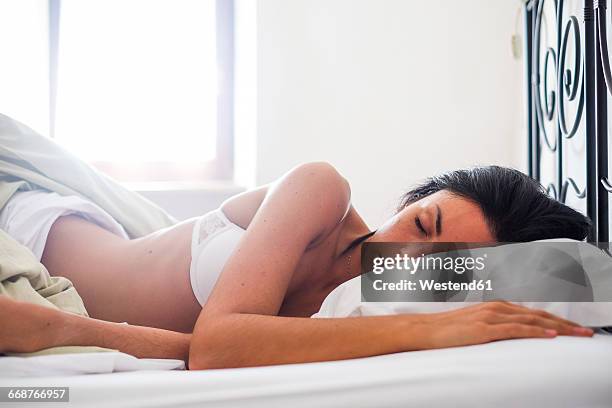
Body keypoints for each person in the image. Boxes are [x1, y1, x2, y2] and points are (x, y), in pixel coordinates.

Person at [0, 163, 594, 368]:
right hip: (41, 228)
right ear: (410, 202)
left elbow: (582, 278)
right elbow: (213, 346)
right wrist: (434, 327)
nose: (403, 257)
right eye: (419, 225)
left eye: (443, 263)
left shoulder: (360, 307)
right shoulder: (322, 190)